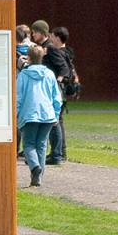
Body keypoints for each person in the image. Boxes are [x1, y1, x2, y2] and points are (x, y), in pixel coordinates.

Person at [16, 44, 64, 187]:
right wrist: (56, 114)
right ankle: (38, 177)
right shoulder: (49, 74)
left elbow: (18, 97)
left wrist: (15, 114)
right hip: (47, 114)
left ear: (28, 58)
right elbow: (57, 97)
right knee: (42, 145)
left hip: (29, 114)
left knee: (29, 144)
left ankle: (35, 167)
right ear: (42, 57)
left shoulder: (23, 75)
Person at [40, 27, 76, 165]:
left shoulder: (52, 49)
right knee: (57, 121)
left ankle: (57, 154)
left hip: (57, 91)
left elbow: (64, 69)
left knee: (55, 121)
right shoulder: (65, 51)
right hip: (61, 91)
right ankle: (60, 153)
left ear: (57, 37)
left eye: (52, 35)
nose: (50, 37)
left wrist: (57, 82)